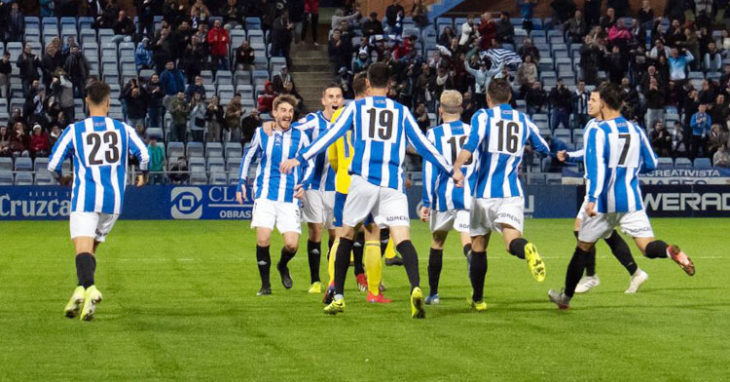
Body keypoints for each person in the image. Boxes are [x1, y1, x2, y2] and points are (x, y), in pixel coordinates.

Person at [280, 63, 454, 318]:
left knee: (346, 236)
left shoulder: (356, 108)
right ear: (390, 85)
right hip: (392, 184)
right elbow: (425, 146)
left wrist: (301, 157)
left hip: (361, 183)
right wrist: (451, 170)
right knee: (402, 238)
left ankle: (338, 295)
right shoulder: (401, 111)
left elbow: (331, 135)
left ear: (369, 84)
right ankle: (415, 287)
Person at [549, 82, 695, 310]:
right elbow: (653, 163)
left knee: (582, 248)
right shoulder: (635, 129)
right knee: (647, 246)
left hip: (604, 202)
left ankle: (565, 298)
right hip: (631, 199)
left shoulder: (598, 130)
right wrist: (630, 172)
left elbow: (596, 168)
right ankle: (669, 252)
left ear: (604, 103)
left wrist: (593, 198)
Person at [47, 81, 149, 321]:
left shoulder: (75, 130)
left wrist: (61, 178)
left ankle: (90, 288)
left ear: (86, 101)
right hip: (113, 202)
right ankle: (80, 293)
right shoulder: (122, 129)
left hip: (85, 198)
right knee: (90, 250)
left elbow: (52, 164)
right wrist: (143, 174)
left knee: (81, 249)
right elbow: (143, 154)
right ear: (108, 102)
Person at [451, 78, 549, 312]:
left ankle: (478, 299)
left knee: (478, 246)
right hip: (511, 192)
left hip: (483, 194)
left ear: (488, 98)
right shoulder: (523, 119)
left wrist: (457, 168)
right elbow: (543, 147)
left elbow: (471, 144)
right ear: (509, 98)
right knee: (511, 241)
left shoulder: (483, 116)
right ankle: (525, 248)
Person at [557, 90, 648, 295]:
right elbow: (588, 153)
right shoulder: (592, 126)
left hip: (602, 190)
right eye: (589, 99)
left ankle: (590, 277)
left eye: (593, 100)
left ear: (604, 104)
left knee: (583, 231)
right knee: (602, 233)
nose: (589, 103)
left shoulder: (607, 129)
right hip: (595, 187)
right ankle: (634, 272)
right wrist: (570, 155)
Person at [323, 73, 390, 304]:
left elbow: (331, 155)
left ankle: (333, 283)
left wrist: (341, 170)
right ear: (369, 87)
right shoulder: (374, 114)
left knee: (342, 236)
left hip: (343, 183)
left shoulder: (340, 114)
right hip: (368, 181)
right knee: (372, 234)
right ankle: (373, 293)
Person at [236, 95, 312, 296]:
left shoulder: (301, 136)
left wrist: (305, 183)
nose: (287, 114)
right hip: (265, 194)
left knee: (292, 244)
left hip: (290, 197)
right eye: (283, 110)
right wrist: (241, 183)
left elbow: (310, 162)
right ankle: (265, 285)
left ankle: (282, 265)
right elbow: (248, 156)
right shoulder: (262, 133)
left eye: (290, 111)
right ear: (275, 113)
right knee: (263, 239)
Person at [418, 90, 473, 305]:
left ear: (440, 110)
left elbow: (429, 169)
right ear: (461, 109)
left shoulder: (434, 135)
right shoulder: (472, 131)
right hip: (467, 193)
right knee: (466, 236)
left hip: (444, 195)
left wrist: (426, 201)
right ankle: (470, 259)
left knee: (438, 241)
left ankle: (433, 293)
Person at [290, 84, 344, 294]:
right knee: (315, 231)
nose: (334, 100)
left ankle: (333, 279)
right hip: (312, 185)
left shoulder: (348, 122)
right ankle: (315, 280)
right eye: (330, 96)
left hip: (336, 185)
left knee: (336, 234)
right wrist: (271, 126)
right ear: (323, 100)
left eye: (338, 96)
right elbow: (292, 130)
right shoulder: (313, 121)